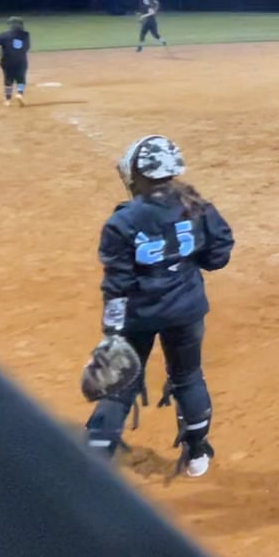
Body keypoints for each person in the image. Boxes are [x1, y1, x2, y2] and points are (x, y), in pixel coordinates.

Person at [86, 135, 234, 476]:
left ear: (138, 174)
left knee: (119, 385)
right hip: (186, 310)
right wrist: (188, 261)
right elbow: (219, 253)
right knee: (188, 376)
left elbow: (117, 283)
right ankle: (196, 454)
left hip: (138, 315)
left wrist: (112, 332)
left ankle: (93, 460)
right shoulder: (197, 206)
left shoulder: (123, 220)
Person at [0, 17, 33, 107]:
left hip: (7, 61)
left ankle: (8, 100)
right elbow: (27, 47)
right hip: (21, 60)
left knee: (8, 79)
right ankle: (19, 93)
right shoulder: (26, 35)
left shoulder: (4, 35)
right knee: (21, 79)